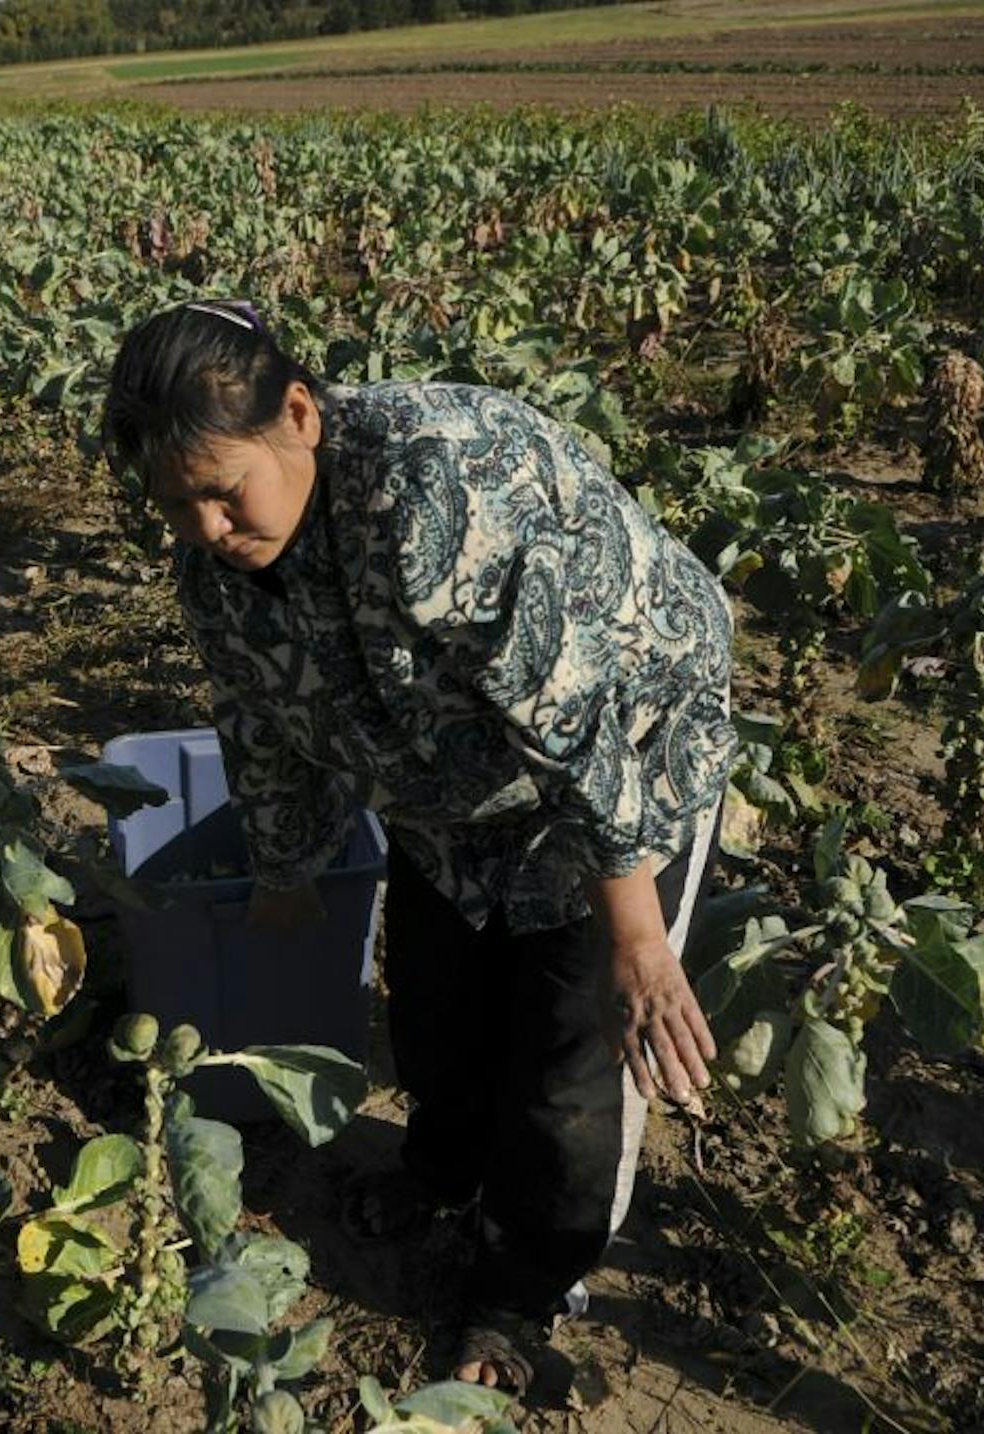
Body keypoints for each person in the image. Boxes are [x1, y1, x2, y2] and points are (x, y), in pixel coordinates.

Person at [103, 300, 736, 1395]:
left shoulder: (437, 485)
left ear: (297, 413)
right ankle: (442, 1170)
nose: (206, 526)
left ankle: (521, 1296)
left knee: (567, 1064)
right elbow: (258, 719)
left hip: (621, 751)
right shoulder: (216, 570)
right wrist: (288, 869)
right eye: (177, 506)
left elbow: (572, 714)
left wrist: (634, 933)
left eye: (221, 489)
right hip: (447, 789)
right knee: (438, 1006)